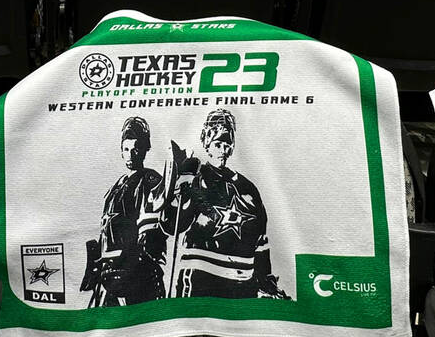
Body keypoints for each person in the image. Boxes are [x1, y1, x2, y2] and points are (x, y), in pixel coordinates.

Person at [162, 110, 287, 299]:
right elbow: (171, 225)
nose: (222, 149)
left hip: (243, 284)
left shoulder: (247, 188)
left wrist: (264, 280)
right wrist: (181, 183)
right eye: (218, 144)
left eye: (227, 144)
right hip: (199, 280)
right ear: (207, 143)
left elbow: (261, 239)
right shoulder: (194, 177)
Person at [82, 117, 166, 306]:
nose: (130, 155)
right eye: (126, 149)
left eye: (136, 149)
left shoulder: (150, 179)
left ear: (145, 149)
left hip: (135, 273)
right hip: (107, 271)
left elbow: (155, 219)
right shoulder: (114, 189)